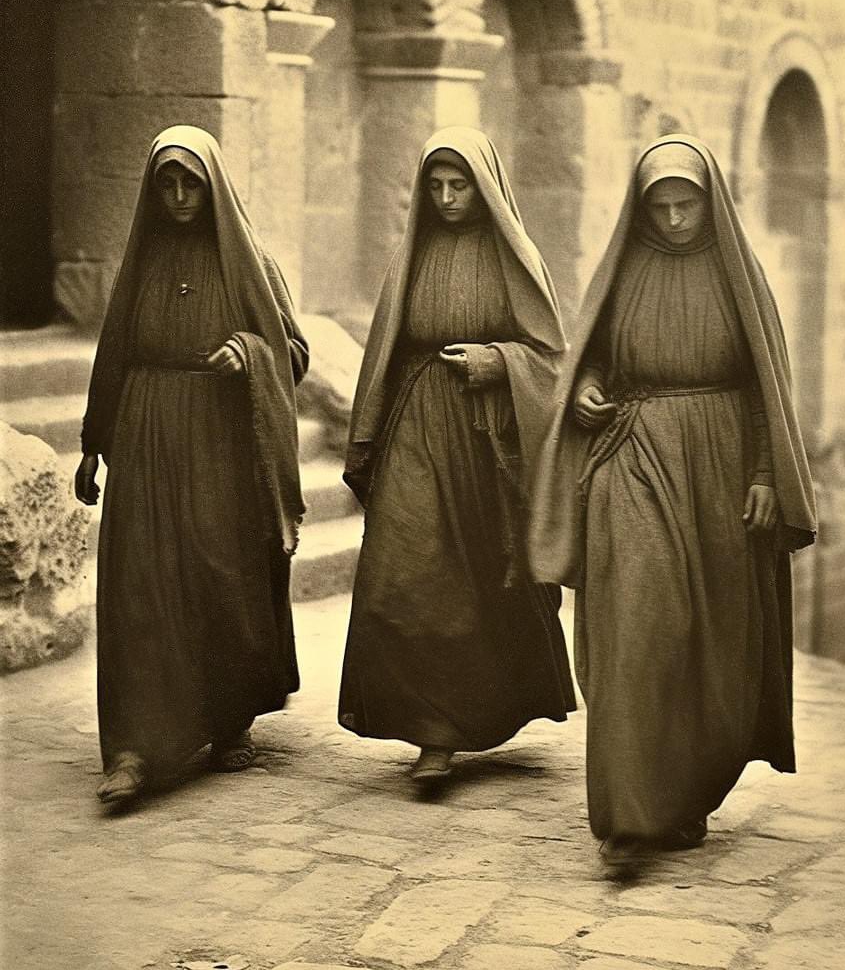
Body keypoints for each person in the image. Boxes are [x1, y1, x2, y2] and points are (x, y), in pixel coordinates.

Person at [529, 134, 816, 864]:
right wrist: (590, 387)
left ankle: (683, 796)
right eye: (662, 206)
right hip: (633, 454)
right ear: (642, 207)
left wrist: (761, 474)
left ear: (710, 204)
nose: (677, 219)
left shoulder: (739, 280)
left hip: (720, 471)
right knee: (638, 624)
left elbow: (764, 388)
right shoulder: (623, 271)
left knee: (708, 641)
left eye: (688, 205)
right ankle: (629, 818)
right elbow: (591, 352)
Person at [75, 125, 308, 804]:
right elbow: (114, 349)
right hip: (147, 432)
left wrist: (250, 350)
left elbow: (291, 352)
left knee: (219, 574)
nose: (178, 196)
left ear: (213, 189)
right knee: (139, 583)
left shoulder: (249, 262)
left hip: (221, 441)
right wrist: (94, 442)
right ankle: (132, 747)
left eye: (191, 184)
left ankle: (228, 718)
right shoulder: (141, 261)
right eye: (167, 184)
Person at [338, 127, 577, 782]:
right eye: (436, 185)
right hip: (417, 425)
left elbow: (552, 361)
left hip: (487, 440)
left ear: (484, 187)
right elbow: (388, 349)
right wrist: (373, 436)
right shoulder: (411, 256)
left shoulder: (517, 257)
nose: (446, 197)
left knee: (476, 583)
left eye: (459, 184)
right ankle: (428, 727)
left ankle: (459, 722)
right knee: (404, 570)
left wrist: (496, 361)